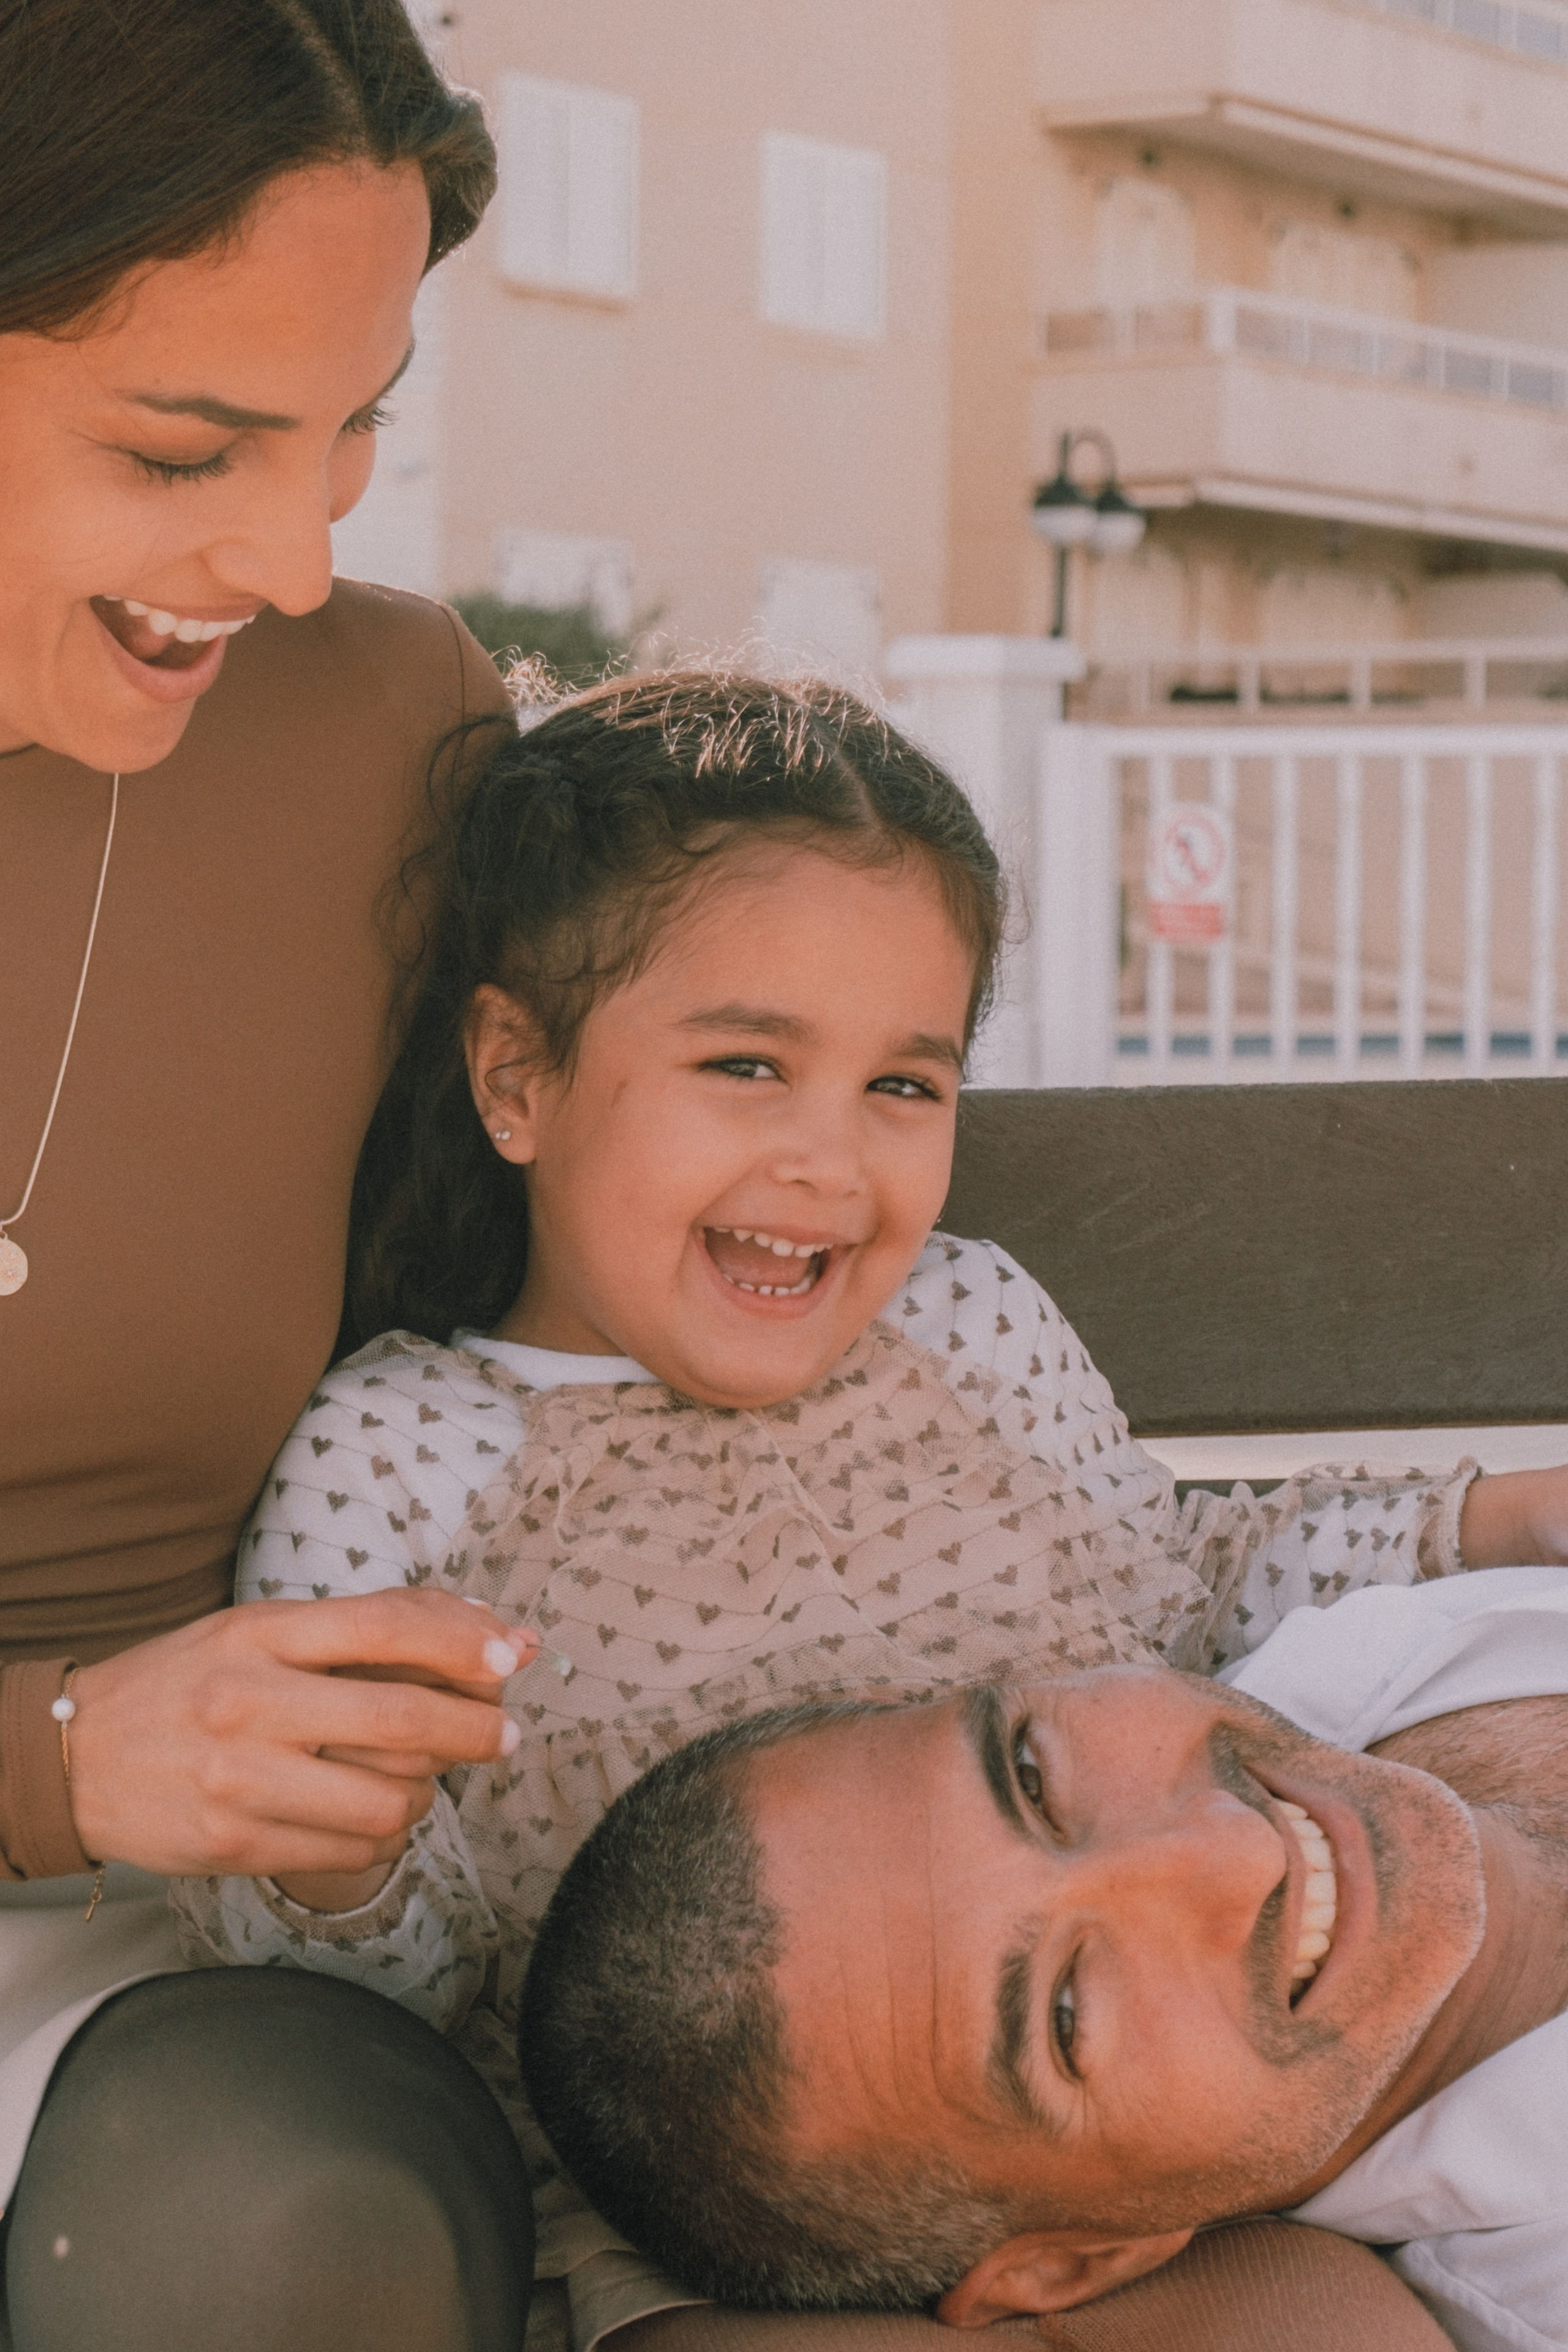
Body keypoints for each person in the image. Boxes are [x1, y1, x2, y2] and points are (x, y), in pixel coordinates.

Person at [173, 669, 1568, 2352]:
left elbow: (1185, 1588)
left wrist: (1490, 1524)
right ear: (516, 1076)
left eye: (903, 1086)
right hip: (706, 2217)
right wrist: (342, 1862)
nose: (831, 1163)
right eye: (746, 1064)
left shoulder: (966, 1324)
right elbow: (373, 1985)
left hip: (1145, 2111)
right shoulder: (402, 1456)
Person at [1, 4, 537, 2342]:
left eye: (355, 433)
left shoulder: (382, 735)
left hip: (146, 1972)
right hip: (81, 1805)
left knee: (294, 2228)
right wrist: (57, 1751)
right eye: (186, 446)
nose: (295, 565)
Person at [519, 1566, 1568, 2352]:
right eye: (1067, 2015)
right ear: (1078, 2261)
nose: (1233, 1848)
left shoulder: (1346, 1656)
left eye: (1029, 1773)